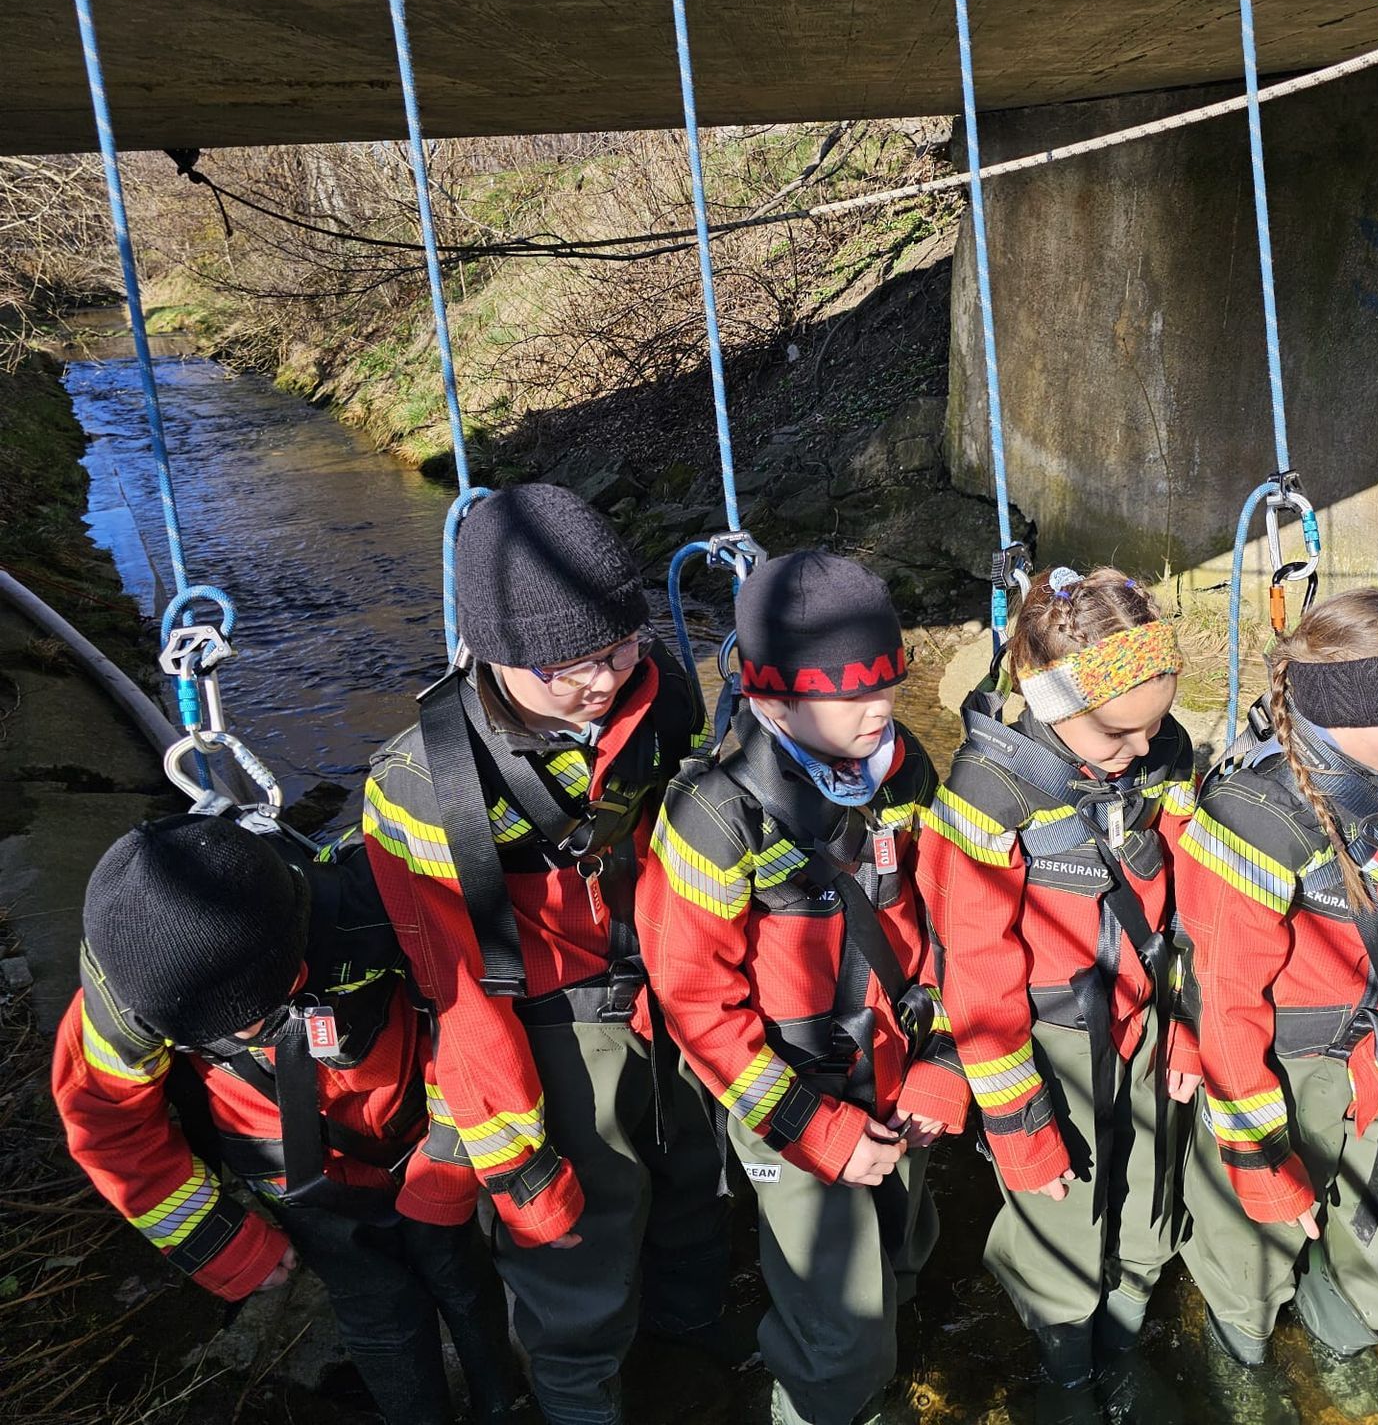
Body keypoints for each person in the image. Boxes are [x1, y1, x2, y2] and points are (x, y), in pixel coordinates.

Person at [361, 483, 728, 1425]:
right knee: (576, 1263)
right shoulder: (425, 783)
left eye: (620, 646)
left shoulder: (659, 693)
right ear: (495, 655)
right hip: (548, 1033)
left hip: (672, 998)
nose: (604, 681)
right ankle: (580, 1400)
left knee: (694, 1197)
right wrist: (522, 1171)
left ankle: (696, 1355)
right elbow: (458, 998)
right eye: (570, 669)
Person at [642, 550, 968, 1425]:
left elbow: (949, 920)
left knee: (904, 1252)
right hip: (793, 1103)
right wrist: (813, 1130)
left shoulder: (901, 770)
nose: (878, 710)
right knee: (837, 1326)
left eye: (888, 686)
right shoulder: (715, 818)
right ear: (774, 700)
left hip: (899, 1073)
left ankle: (888, 1376)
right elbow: (696, 1007)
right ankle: (830, 1402)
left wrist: (944, 1060)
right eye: (848, 695)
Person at [53, 813, 519, 1424]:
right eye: (214, 1029)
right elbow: (107, 1126)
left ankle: (504, 1402)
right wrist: (225, 1245)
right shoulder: (122, 1002)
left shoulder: (374, 903)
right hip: (292, 1177)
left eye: (258, 1008)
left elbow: (467, 1026)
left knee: (456, 1264)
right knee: (375, 1301)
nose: (247, 1031)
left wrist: (452, 1159)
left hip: (420, 1138)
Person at [918, 566, 1196, 1424]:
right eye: (1117, 733)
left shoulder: (1163, 753)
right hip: (1051, 1044)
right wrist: (1022, 1131)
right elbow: (974, 977)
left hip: (1145, 1022)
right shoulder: (987, 795)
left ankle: (1123, 1337)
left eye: (1155, 724)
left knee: (1151, 1205)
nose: (1141, 749)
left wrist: (1187, 1027)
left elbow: (1194, 901)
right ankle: (1066, 1372)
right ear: (1048, 700)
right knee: (1062, 1225)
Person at [1178, 588, 1378, 1422]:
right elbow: (1225, 1003)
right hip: (1279, 1065)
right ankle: (1240, 1336)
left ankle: (1344, 1317)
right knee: (1252, 1233)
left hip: (1373, 1050)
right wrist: (1262, 1159)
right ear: (1336, 712)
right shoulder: (1256, 819)